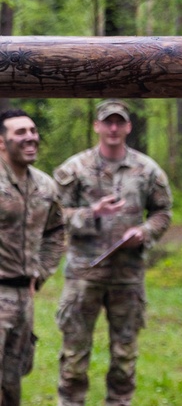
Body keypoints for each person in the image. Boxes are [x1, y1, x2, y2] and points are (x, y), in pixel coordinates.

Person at [53, 100, 172, 406]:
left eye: (120, 122)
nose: (114, 128)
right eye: (108, 122)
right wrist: (92, 212)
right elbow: (52, 215)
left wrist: (144, 232)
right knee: (74, 356)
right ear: (97, 126)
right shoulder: (74, 169)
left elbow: (163, 212)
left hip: (127, 275)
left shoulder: (147, 170)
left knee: (124, 356)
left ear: (129, 127)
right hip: (84, 273)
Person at [0, 109, 66, 406]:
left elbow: (55, 231)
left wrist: (40, 272)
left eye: (33, 131)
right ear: (2, 142)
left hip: (24, 295)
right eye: (20, 133)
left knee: (13, 377)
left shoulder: (45, 186)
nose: (30, 138)